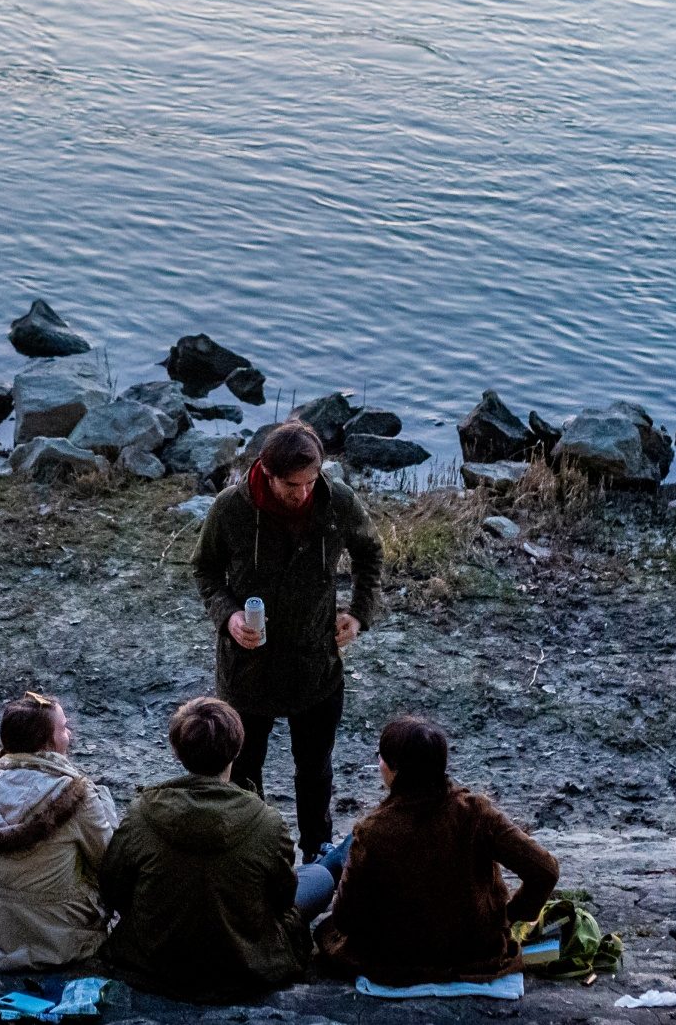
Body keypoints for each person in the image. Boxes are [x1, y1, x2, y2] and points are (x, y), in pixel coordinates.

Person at [191, 419, 384, 860]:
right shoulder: (231, 509)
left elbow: (370, 553)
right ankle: (250, 850)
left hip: (315, 665)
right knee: (243, 770)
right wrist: (228, 616)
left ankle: (316, 848)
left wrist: (358, 613)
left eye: (310, 482)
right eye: (291, 485)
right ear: (267, 472)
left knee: (315, 770)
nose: (302, 494)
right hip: (247, 670)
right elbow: (204, 570)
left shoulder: (337, 502)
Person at [313, 715, 560, 986]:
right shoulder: (476, 812)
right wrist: (508, 916)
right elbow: (545, 870)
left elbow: (346, 919)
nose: (379, 764)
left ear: (394, 770)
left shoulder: (373, 831)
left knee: (327, 932)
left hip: (397, 961)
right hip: (477, 952)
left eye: (382, 758)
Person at [99, 696, 316, 1003]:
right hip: (246, 964)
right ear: (237, 750)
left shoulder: (141, 814)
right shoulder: (268, 821)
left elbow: (113, 887)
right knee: (320, 875)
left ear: (177, 750)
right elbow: (282, 898)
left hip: (154, 962)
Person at [0, 691, 122, 970]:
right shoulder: (79, 796)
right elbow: (107, 863)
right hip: (55, 941)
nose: (69, 735)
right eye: (64, 728)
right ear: (48, 742)